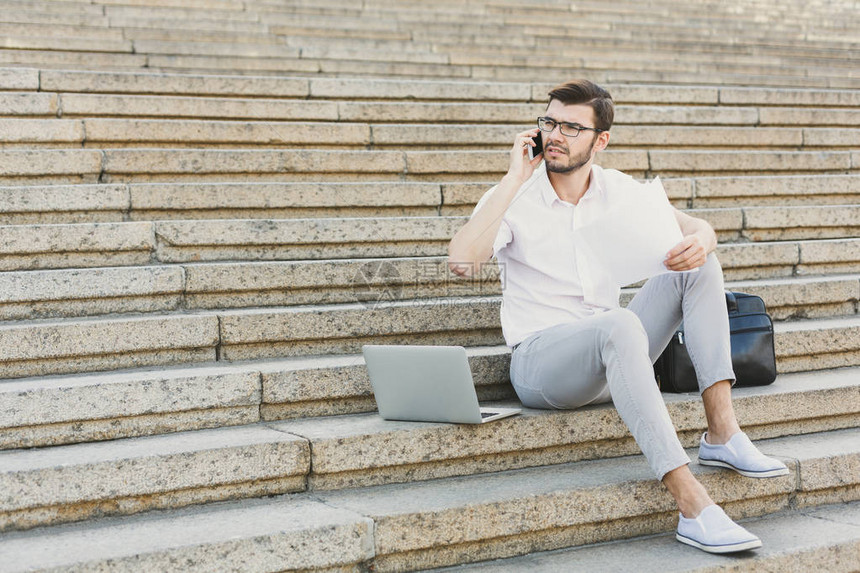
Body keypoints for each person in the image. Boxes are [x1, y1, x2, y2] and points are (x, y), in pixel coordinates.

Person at [447, 79, 788, 554]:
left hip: (616, 354)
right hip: (544, 366)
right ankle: (692, 503)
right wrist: (511, 179)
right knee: (619, 322)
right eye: (549, 122)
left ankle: (721, 432)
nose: (555, 135)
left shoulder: (618, 189)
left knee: (699, 264)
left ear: (600, 140)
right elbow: (462, 261)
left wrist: (703, 239)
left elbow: (696, 228)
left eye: (571, 126)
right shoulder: (514, 198)